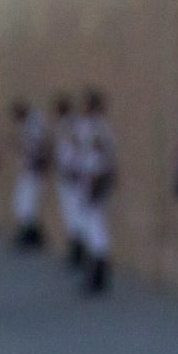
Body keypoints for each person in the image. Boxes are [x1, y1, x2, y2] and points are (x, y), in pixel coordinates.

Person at [75, 88, 116, 294]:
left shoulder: (99, 127)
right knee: (90, 225)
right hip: (87, 179)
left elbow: (101, 157)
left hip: (95, 180)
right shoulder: (87, 126)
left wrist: (97, 180)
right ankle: (94, 267)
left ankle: (100, 269)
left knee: (97, 224)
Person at [10, 100, 49, 249]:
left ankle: (31, 236)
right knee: (21, 202)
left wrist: (36, 163)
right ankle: (31, 234)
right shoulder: (26, 125)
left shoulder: (35, 124)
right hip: (27, 170)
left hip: (34, 171)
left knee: (28, 204)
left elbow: (40, 146)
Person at [52, 94, 84, 268]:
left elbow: (77, 149)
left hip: (74, 175)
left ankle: (80, 249)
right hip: (65, 175)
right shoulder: (63, 125)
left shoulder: (73, 125)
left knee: (76, 213)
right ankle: (74, 247)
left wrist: (74, 168)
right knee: (69, 213)